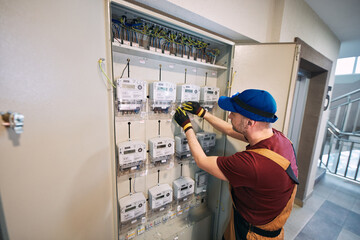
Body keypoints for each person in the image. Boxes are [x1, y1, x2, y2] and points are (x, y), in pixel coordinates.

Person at [173, 89, 299, 240]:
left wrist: (187, 126)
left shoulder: (252, 164)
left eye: (234, 113)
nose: (229, 116)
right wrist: (202, 113)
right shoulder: (278, 139)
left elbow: (202, 161)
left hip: (251, 234)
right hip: (265, 225)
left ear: (250, 122)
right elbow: (229, 129)